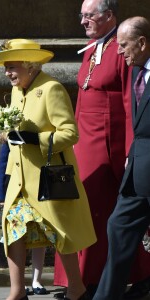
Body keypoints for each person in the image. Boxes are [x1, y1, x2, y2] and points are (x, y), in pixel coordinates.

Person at [0, 38, 97, 300]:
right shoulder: (16, 91)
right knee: (13, 230)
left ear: (29, 65)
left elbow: (70, 134)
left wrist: (38, 139)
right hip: (20, 180)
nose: (7, 73)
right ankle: (16, 292)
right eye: (5, 67)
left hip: (47, 178)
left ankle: (76, 287)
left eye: (11, 66)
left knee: (59, 232)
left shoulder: (51, 88)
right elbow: (14, 127)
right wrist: (6, 134)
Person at [53, 1, 150, 298]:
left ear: (108, 16)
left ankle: (99, 282)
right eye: (81, 15)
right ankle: (79, 280)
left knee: (103, 214)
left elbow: (129, 103)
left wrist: (128, 152)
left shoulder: (124, 49)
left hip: (111, 146)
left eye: (89, 15)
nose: (83, 21)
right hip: (84, 142)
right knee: (81, 211)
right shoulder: (93, 48)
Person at [93, 16, 150, 300]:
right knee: (118, 226)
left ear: (142, 43)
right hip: (138, 170)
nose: (119, 51)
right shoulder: (138, 72)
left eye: (124, 45)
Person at [0, 142, 47, 296]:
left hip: (38, 189)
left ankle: (36, 280)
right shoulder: (10, 137)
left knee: (40, 235)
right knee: (17, 236)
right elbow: (3, 165)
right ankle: (20, 284)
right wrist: (1, 194)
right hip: (16, 192)